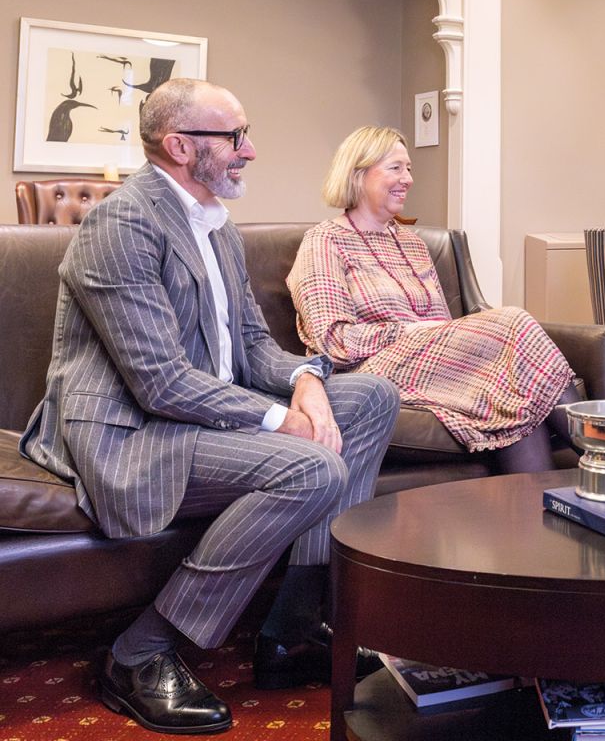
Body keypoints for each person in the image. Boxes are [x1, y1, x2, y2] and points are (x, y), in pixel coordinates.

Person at [20, 79, 401, 734]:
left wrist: (308, 380)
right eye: (234, 137)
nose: (249, 150)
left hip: (199, 417)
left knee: (370, 395)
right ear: (178, 145)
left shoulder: (217, 228)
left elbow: (253, 346)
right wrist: (285, 420)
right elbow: (161, 383)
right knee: (313, 467)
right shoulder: (122, 224)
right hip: (134, 433)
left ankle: (294, 630)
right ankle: (137, 656)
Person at [286, 125, 579, 474]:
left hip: (432, 364)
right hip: (369, 371)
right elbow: (332, 341)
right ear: (358, 174)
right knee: (512, 321)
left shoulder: (413, 244)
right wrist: (406, 332)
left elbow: (443, 327)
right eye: (395, 168)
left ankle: (541, 518)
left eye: (409, 168)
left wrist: (429, 333)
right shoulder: (324, 241)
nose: (408, 178)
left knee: (513, 398)